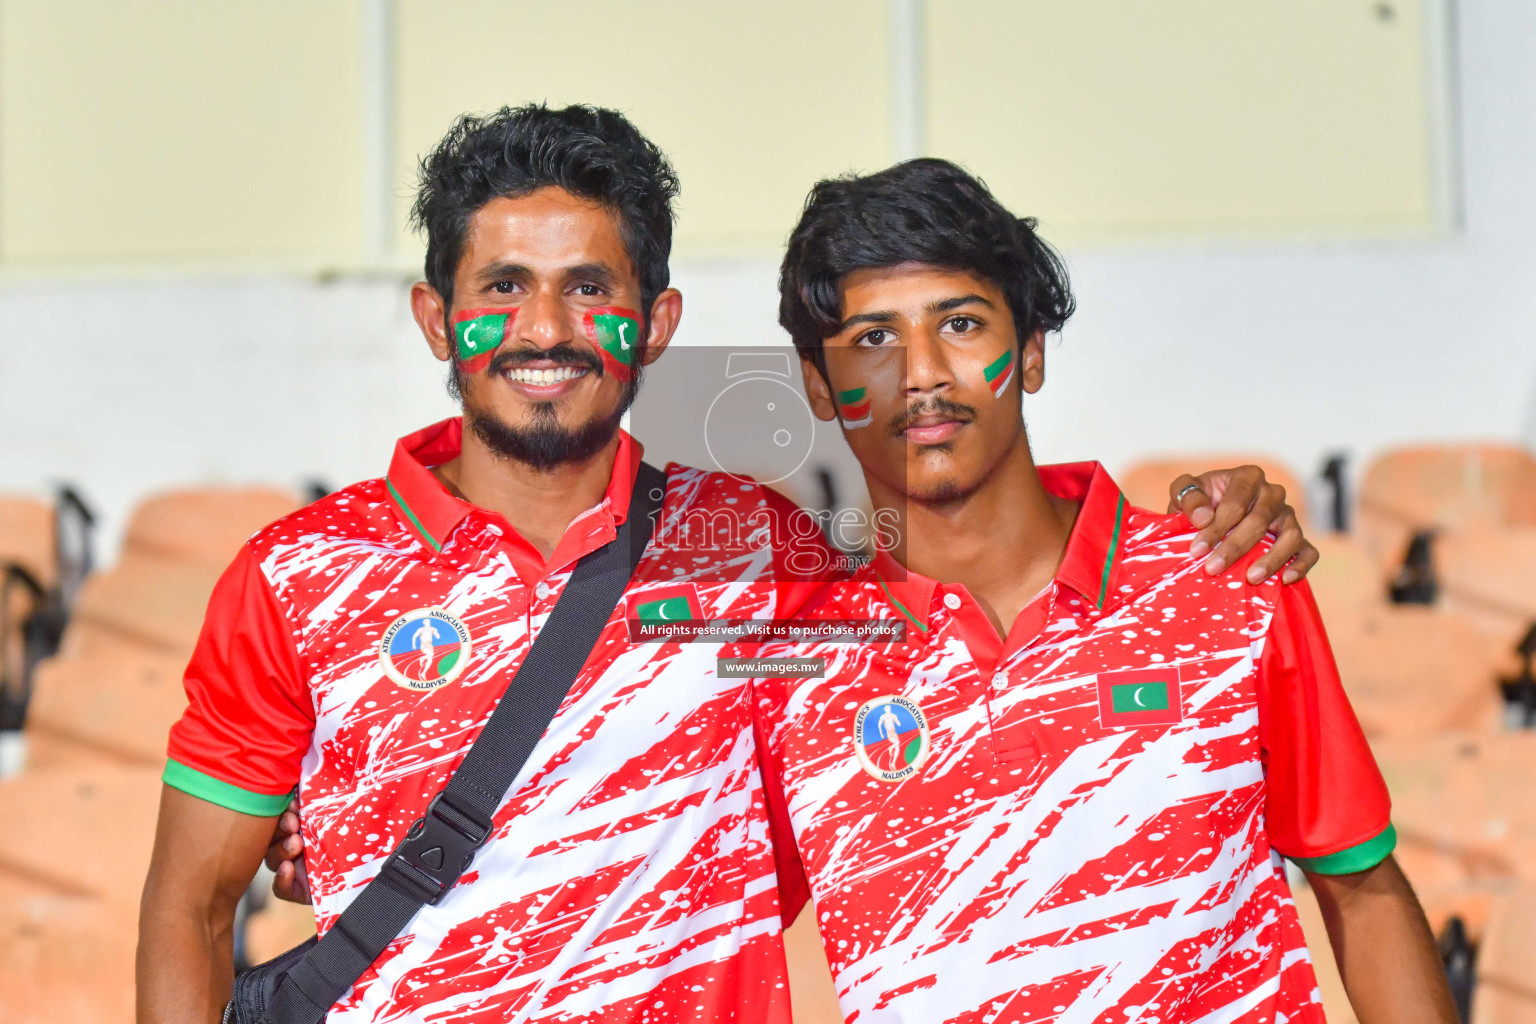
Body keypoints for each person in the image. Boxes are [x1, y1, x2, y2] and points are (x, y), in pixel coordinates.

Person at [145, 104, 1313, 1023]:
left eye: (588, 287)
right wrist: (337, 832)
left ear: (652, 325)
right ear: (437, 318)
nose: (545, 327)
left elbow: (986, 635)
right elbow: (191, 908)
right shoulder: (299, 575)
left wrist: (1214, 523)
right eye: (503, 286)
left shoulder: (762, 553)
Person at [745, 158, 1456, 1023]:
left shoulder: (1227, 580)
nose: (923, 370)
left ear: (1032, 351)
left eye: (961, 323)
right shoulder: (787, 664)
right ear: (821, 386)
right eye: (873, 339)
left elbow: (1362, 889)